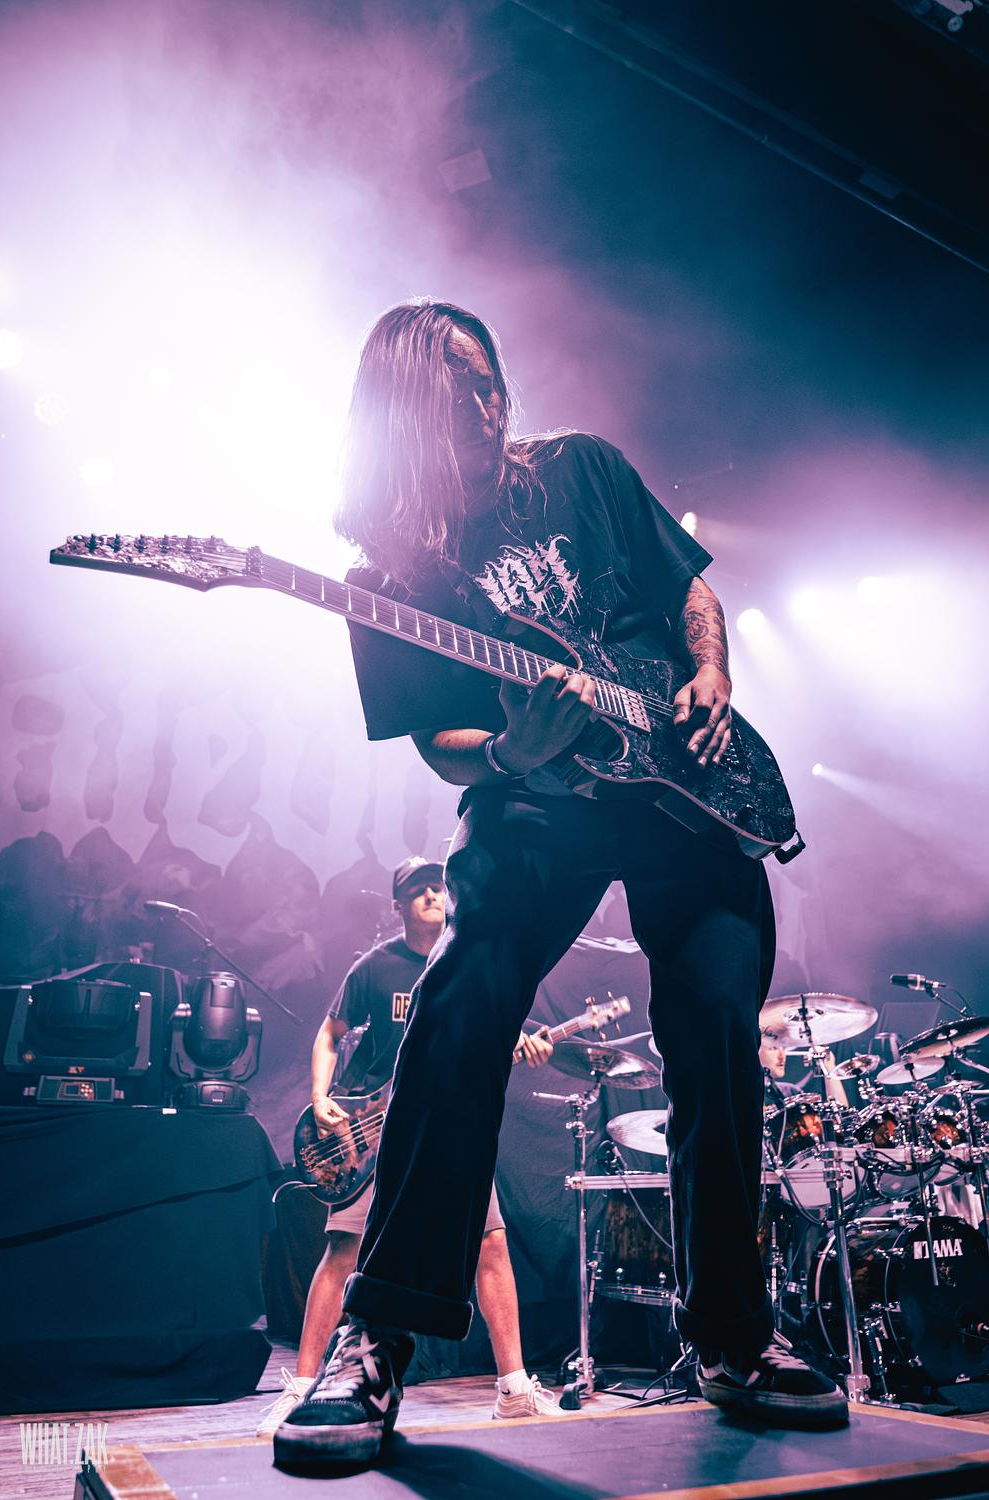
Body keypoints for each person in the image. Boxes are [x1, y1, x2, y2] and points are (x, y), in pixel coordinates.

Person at [279, 299, 847, 1464]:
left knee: (716, 1031)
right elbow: (440, 743)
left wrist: (707, 673)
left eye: (490, 378)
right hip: (536, 807)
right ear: (402, 415)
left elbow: (688, 589)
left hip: (688, 792)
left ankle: (735, 1338)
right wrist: (508, 753)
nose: (486, 404)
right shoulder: (388, 577)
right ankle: (378, 1339)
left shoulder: (580, 470)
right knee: (459, 1010)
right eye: (456, 392)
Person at [266, 855, 561, 1447]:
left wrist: (523, 1045)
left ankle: (514, 1390)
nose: (431, 894)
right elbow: (330, 1032)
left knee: (491, 1245)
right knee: (345, 1250)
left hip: (450, 1124)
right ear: (397, 903)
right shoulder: (375, 967)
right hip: (373, 1133)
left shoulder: (467, 965)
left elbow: (484, 1042)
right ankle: (300, 1389)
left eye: (437, 885)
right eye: (417, 889)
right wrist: (321, 1097)